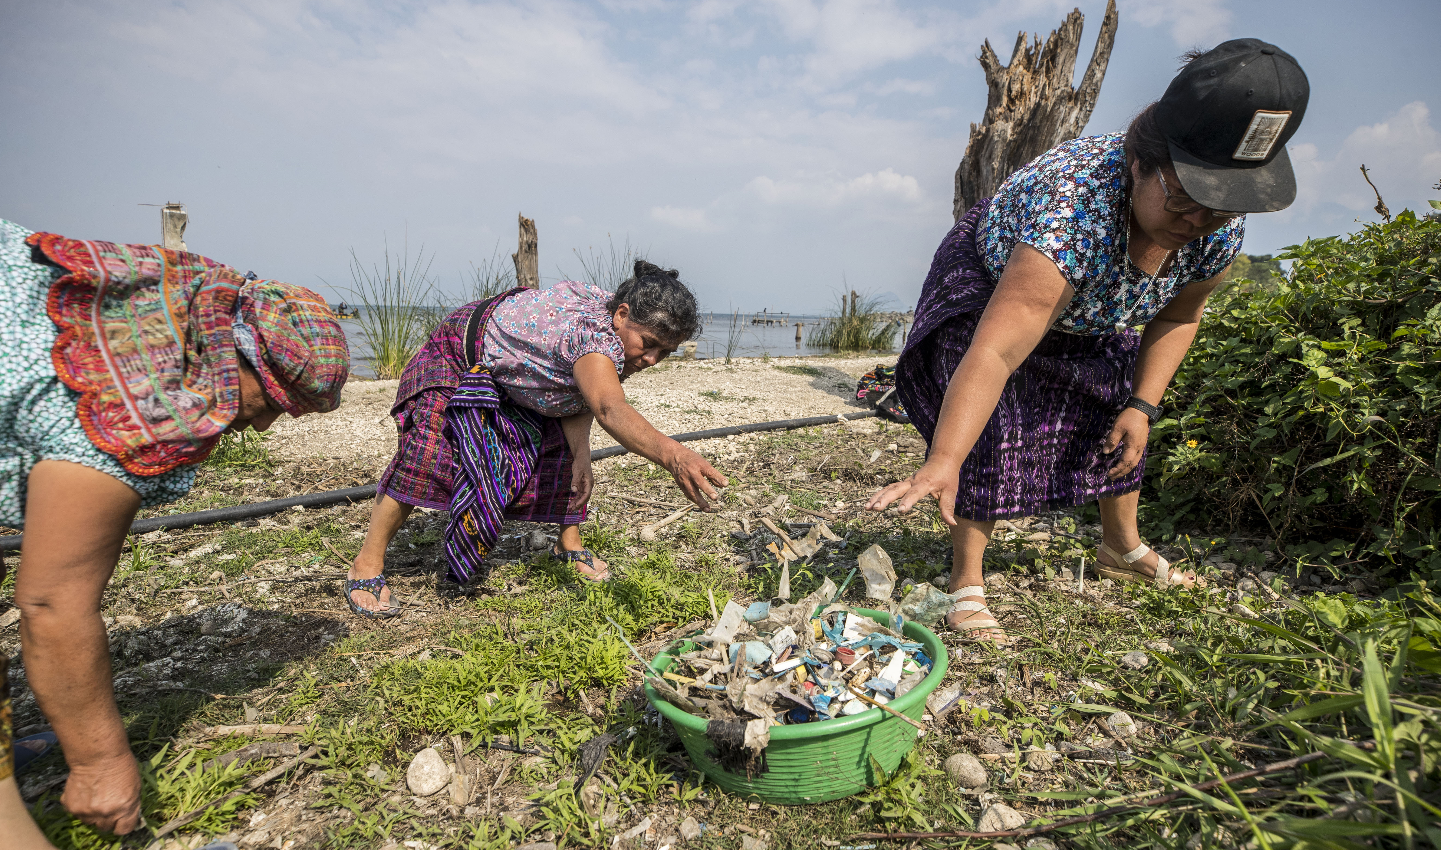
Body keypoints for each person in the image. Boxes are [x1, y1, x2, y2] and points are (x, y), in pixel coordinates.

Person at [866, 39, 1309, 644]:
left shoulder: (1212, 228)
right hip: (996, 281)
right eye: (1183, 199)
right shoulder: (1072, 213)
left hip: (1100, 303)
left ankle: (1120, 548)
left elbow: (1178, 317)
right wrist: (943, 460)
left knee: (1114, 406)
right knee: (995, 419)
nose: (1196, 222)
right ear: (1139, 163)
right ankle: (965, 579)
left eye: (1218, 208)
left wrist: (1143, 405)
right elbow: (995, 353)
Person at [0, 219, 349, 843]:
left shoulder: (179, 306)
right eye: (269, 402)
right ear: (234, 355)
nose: (265, 426)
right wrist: (99, 761)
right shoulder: (132, 399)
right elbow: (52, 602)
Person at [347, 261, 727, 614]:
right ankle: (366, 562)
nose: (651, 359)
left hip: (526, 372)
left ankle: (569, 543)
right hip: (461, 352)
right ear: (622, 314)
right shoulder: (594, 339)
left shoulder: (617, 333)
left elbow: (580, 397)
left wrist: (581, 453)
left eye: (666, 352)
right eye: (648, 343)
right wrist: (673, 455)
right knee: (427, 454)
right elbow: (609, 406)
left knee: (563, 458)